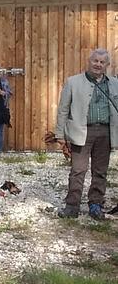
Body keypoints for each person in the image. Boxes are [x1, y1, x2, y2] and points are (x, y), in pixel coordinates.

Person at [54, 48, 118, 220]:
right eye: (95, 61)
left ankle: (96, 205)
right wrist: (60, 134)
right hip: (82, 131)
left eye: (102, 62)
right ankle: (72, 206)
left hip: (105, 132)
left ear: (107, 65)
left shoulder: (114, 83)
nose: (98, 64)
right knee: (78, 170)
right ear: (89, 62)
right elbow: (63, 109)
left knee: (100, 171)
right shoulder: (73, 82)